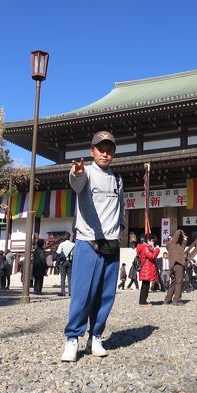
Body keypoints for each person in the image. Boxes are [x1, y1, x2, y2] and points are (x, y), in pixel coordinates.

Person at [61, 131, 125, 362]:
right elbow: (76, 183)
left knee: (105, 295)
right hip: (87, 241)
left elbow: (122, 206)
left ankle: (95, 336)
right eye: (101, 149)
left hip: (112, 242)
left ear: (113, 153)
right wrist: (76, 172)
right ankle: (72, 338)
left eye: (109, 150)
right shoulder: (85, 173)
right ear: (92, 151)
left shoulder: (117, 179)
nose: (105, 153)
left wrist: (121, 228)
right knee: (82, 294)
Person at [164, 229, 187, 305]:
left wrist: (184, 239)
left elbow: (183, 246)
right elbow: (177, 234)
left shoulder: (178, 246)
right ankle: (177, 300)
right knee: (179, 282)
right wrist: (181, 231)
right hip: (178, 264)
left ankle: (168, 299)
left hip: (174, 265)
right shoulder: (170, 243)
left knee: (174, 282)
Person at [136, 233, 160, 307]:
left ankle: (143, 301)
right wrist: (157, 250)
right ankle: (143, 302)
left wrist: (152, 248)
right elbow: (152, 256)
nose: (153, 242)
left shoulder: (145, 247)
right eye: (152, 241)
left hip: (146, 269)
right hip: (147, 269)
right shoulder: (145, 247)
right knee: (145, 286)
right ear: (148, 240)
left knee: (145, 285)